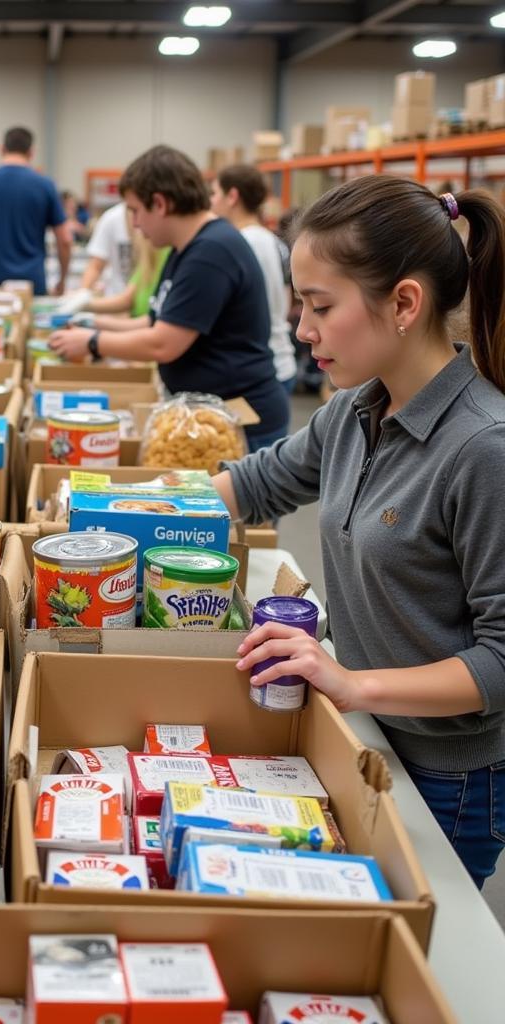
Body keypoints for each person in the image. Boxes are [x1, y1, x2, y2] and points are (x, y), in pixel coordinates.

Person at [221, 177, 505, 888]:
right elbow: (257, 485)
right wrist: (113, 513)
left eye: (321, 306)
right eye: (300, 305)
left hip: (451, 777)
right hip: (372, 731)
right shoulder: (354, 411)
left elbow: (503, 660)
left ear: (405, 303)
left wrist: (351, 682)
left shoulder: (482, 449)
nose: (302, 330)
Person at [49, 144, 288, 451]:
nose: (135, 224)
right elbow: (154, 321)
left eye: (135, 211)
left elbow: (164, 343)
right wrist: (92, 324)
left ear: (159, 204)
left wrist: (93, 341)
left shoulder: (210, 252)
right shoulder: (184, 250)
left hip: (238, 425)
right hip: (209, 417)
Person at [211, 164, 298, 394]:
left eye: (215, 193)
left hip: (256, 368)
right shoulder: (275, 242)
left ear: (232, 196)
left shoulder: (236, 245)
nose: (212, 201)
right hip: (282, 359)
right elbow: (286, 299)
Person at [0, 126, 71, 295]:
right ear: (31, 152)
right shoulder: (45, 185)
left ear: (2, 149)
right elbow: (65, 240)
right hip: (30, 282)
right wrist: (63, 279)